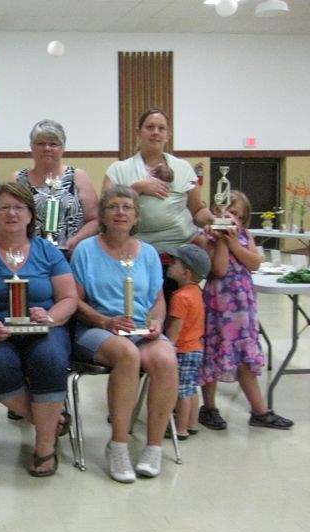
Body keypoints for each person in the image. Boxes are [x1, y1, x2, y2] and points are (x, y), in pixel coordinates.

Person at [0, 182, 77, 477]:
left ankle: (44, 445)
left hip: (43, 327)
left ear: (30, 215)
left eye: (19, 207)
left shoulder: (47, 250)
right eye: (4, 207)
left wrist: (49, 317)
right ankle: (50, 419)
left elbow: (69, 297)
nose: (11, 213)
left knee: (49, 358)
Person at [71, 185, 178, 483]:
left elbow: (157, 299)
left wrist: (157, 321)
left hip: (141, 330)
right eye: (114, 207)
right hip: (95, 328)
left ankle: (153, 446)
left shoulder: (149, 253)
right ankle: (118, 444)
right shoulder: (85, 250)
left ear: (136, 216)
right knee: (127, 355)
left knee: (166, 358)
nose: (121, 213)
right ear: (102, 215)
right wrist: (105, 321)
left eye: (127, 208)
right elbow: (74, 301)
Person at [198, 191, 293, 430]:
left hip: (243, 305)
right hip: (219, 305)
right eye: (226, 212)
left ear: (243, 221)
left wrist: (232, 242)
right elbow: (219, 269)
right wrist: (221, 240)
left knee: (244, 357)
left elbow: (254, 263)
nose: (231, 218)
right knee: (214, 351)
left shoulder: (244, 236)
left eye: (237, 215)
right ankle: (208, 407)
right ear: (215, 212)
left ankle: (260, 411)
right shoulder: (206, 239)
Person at [102, 108, 214, 300]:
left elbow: (197, 210)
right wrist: (136, 188)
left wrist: (216, 221)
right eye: (150, 127)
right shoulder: (118, 169)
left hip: (178, 258)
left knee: (177, 313)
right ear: (138, 132)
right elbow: (104, 207)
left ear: (168, 135)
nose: (156, 132)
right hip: (134, 254)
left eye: (161, 128)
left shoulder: (183, 168)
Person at [14, 119, 99, 253]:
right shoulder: (18, 179)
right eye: (41, 143)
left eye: (53, 144)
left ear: (63, 148)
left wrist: (76, 240)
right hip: (29, 256)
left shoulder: (78, 177)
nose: (47, 148)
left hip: (69, 254)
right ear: (31, 147)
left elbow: (95, 219)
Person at [164, 244, 211, 439]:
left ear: (186, 273)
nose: (169, 264)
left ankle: (180, 428)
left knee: (180, 391)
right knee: (191, 388)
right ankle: (192, 423)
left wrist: (168, 346)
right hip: (196, 347)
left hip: (182, 349)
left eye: (174, 262)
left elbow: (176, 326)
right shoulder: (196, 293)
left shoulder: (180, 297)